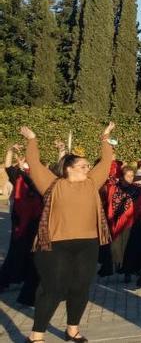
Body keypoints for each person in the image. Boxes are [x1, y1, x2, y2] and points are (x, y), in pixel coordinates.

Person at [18, 122, 115, 343]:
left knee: (80, 288)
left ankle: (72, 330)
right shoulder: (52, 184)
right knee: (52, 289)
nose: (87, 168)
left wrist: (105, 138)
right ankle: (36, 335)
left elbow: (106, 161)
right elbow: (33, 163)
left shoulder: (92, 183)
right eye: (82, 165)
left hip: (87, 244)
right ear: (69, 168)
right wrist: (32, 139)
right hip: (55, 245)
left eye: (88, 165)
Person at [98, 163, 141, 283]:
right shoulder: (114, 188)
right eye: (127, 176)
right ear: (122, 176)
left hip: (134, 223)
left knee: (133, 248)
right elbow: (107, 199)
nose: (130, 178)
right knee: (118, 248)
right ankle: (118, 268)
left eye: (131, 176)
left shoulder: (137, 188)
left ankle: (129, 272)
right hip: (118, 224)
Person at [1, 144, 42, 291]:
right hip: (20, 219)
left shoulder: (39, 179)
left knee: (33, 252)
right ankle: (8, 279)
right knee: (17, 249)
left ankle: (29, 282)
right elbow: (7, 167)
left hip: (36, 219)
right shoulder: (19, 177)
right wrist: (10, 151)